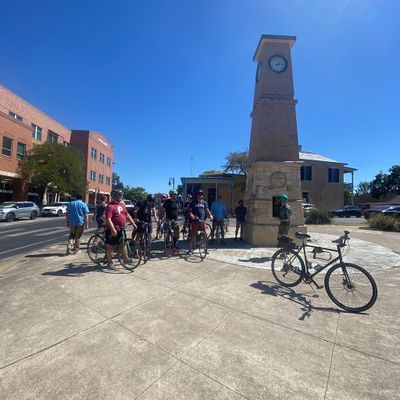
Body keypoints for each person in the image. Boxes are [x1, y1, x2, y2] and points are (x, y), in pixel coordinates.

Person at [104, 189, 137, 270]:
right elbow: (108, 219)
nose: (121, 197)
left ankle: (126, 259)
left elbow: (127, 215)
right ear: (115, 196)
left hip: (121, 229)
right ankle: (110, 263)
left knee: (123, 244)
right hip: (112, 230)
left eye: (121, 195)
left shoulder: (122, 204)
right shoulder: (110, 206)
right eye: (120, 195)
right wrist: (113, 230)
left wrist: (133, 224)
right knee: (110, 247)